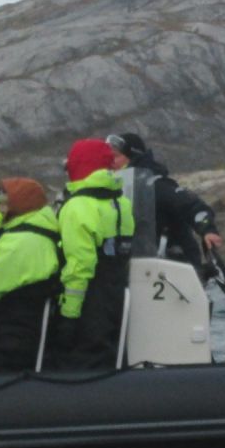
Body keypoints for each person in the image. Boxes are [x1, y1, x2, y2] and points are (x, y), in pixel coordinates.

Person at [0, 178, 62, 375]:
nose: (1, 206)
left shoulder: (21, 241)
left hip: (9, 335)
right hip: (25, 329)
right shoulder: (38, 232)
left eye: (5, 200)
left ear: (20, 202)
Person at [55, 138, 135, 370]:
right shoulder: (121, 202)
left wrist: (68, 316)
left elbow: (80, 267)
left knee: (79, 364)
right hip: (115, 295)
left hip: (87, 305)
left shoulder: (77, 207)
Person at [106, 132, 223, 269]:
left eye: (115, 157)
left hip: (174, 264)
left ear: (133, 158)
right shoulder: (115, 190)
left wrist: (208, 230)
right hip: (137, 266)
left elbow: (193, 206)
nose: (110, 163)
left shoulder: (157, 186)